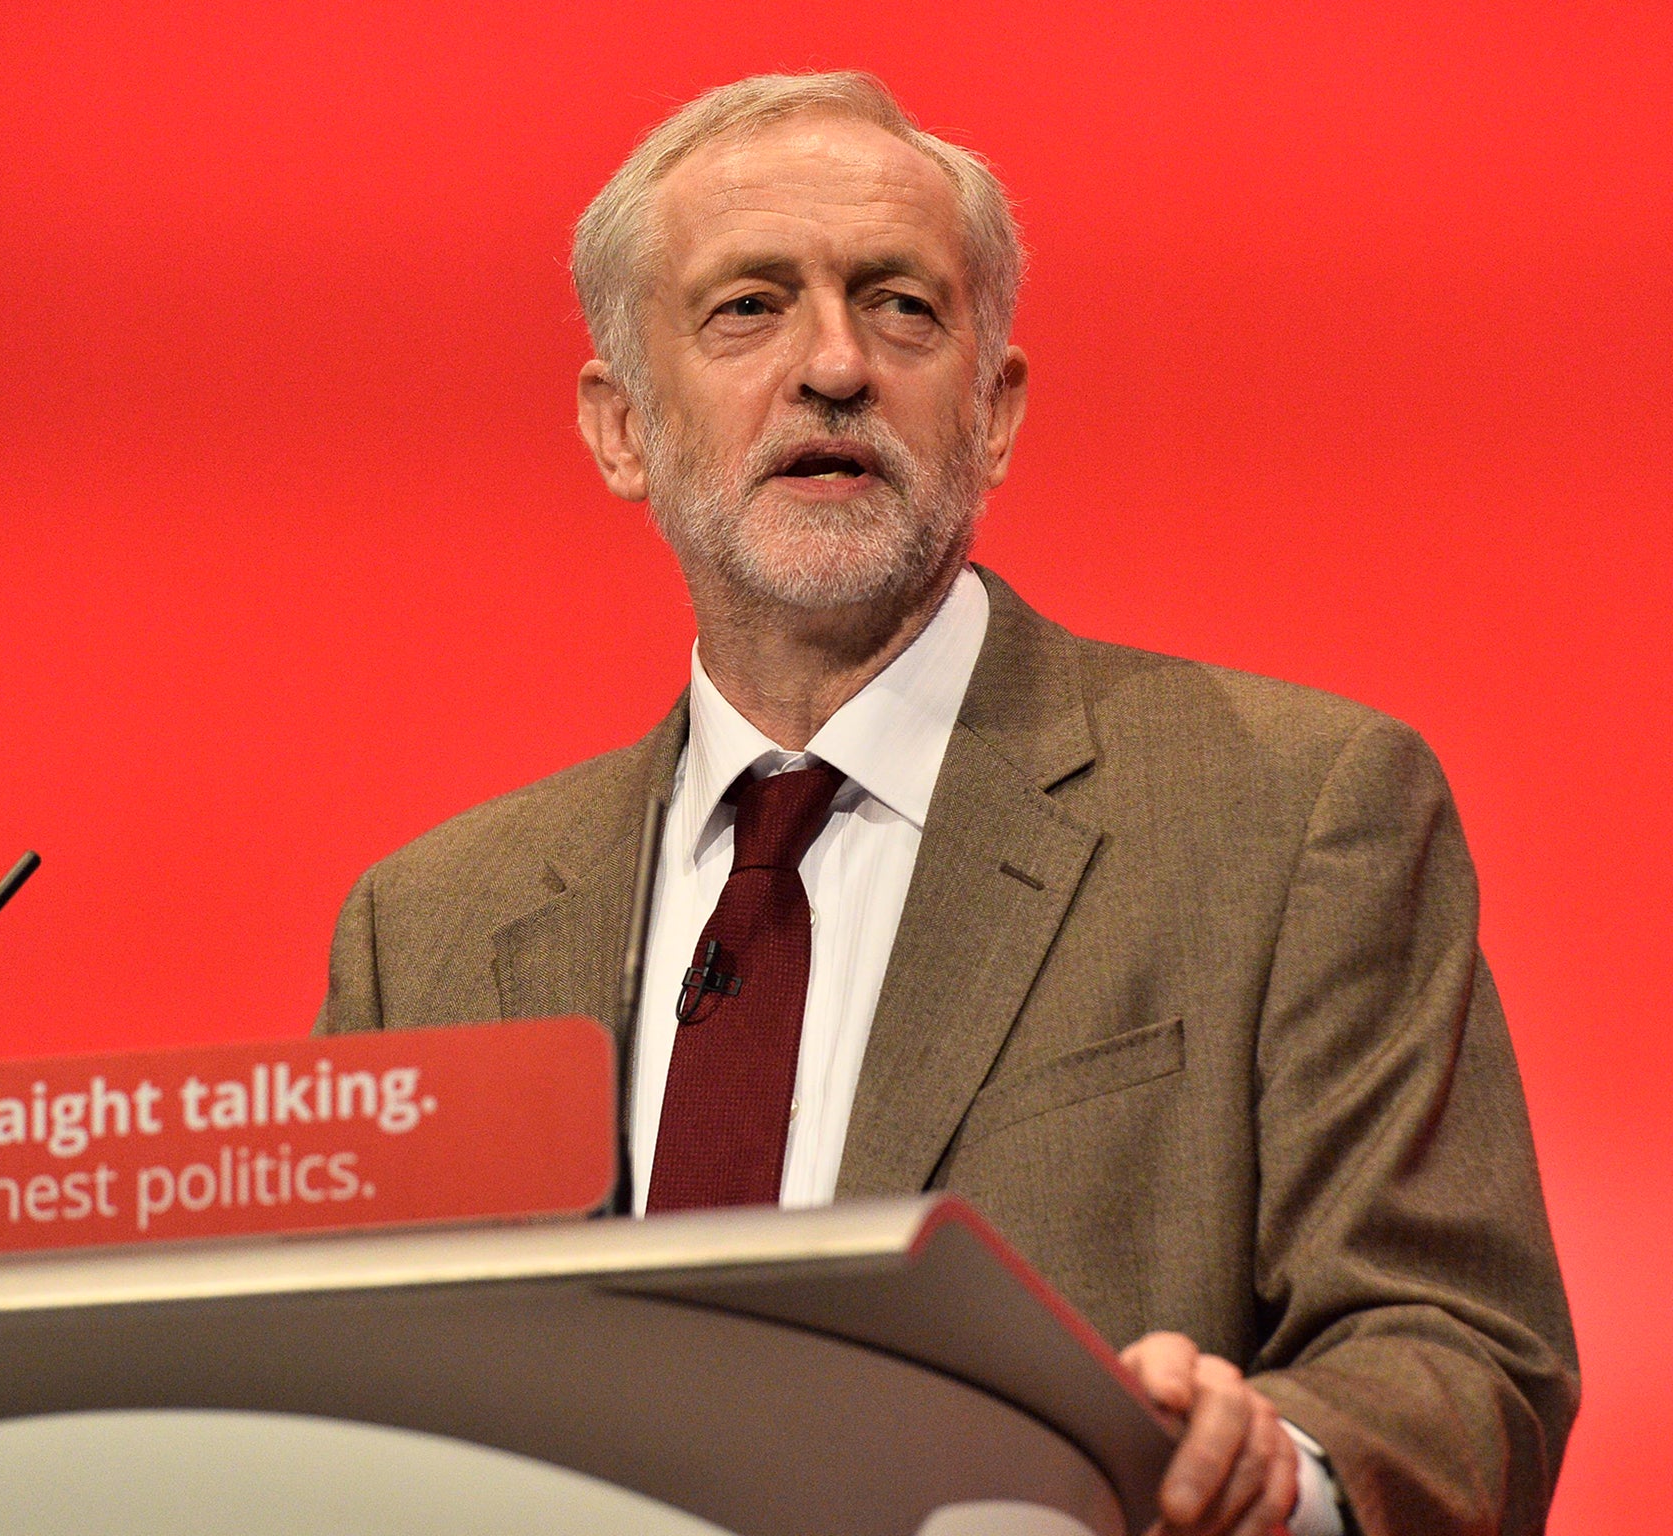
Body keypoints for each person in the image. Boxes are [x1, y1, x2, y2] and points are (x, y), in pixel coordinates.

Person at [315, 72, 1577, 1536]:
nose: (836, 364)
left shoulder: (1293, 815)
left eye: (903, 306)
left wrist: (1264, 1468)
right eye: (750, 308)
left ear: (994, 413)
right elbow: (350, 1423)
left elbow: (1462, 1359)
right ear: (620, 427)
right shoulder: (432, 930)